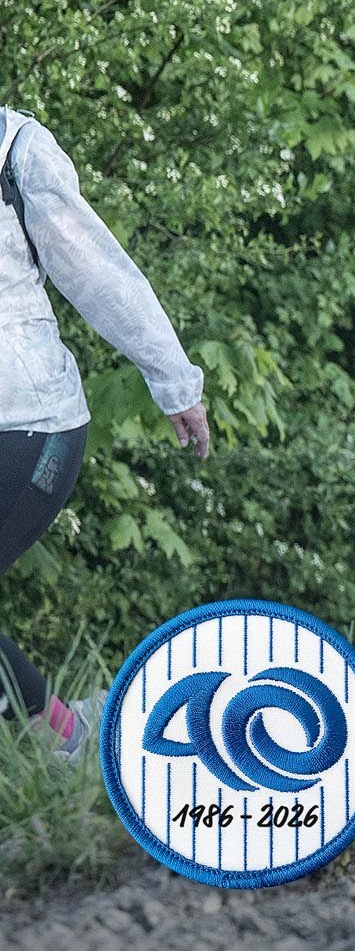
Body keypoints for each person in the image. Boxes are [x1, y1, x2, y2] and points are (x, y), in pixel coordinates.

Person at [1, 107, 211, 756]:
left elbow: (100, 275)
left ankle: (70, 741)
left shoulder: (14, 148)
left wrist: (174, 380)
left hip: (31, 426)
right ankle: (64, 735)